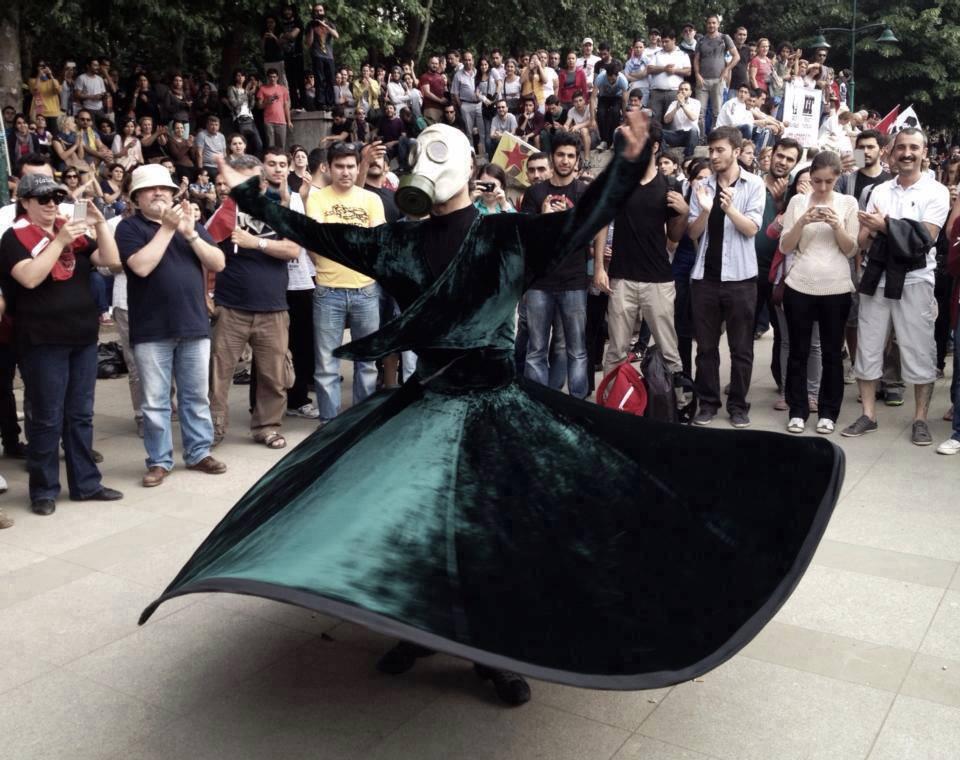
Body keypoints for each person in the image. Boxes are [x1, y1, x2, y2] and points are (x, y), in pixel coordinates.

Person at [141, 113, 845, 716]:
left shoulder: (509, 234)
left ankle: (494, 653)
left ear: (470, 165)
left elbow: (583, 219)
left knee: (494, 539)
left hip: (495, 411)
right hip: (426, 407)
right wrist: (240, 192)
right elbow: (315, 232)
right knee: (417, 531)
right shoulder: (401, 240)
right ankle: (420, 628)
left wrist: (627, 166)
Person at [0, 173, 124, 515]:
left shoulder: (73, 232)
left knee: (80, 415)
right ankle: (44, 490)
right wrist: (58, 240)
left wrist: (99, 225)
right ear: (24, 203)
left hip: (82, 336)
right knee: (46, 417)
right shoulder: (14, 237)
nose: (52, 204)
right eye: (44, 199)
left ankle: (86, 483)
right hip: (42, 340)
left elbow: (111, 261)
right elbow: (29, 276)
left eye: (56, 197)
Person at [115, 164, 227, 488]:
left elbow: (218, 262)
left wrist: (190, 232)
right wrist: (167, 228)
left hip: (193, 324)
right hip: (152, 329)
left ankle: (198, 452)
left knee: (195, 396)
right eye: (150, 189)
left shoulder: (190, 225)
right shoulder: (130, 228)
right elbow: (141, 266)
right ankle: (159, 460)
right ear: (136, 198)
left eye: (164, 188)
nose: (159, 193)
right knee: (155, 401)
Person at [843, 128, 950, 445]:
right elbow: (862, 239)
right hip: (877, 277)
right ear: (891, 153)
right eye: (901, 147)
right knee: (869, 348)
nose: (906, 153)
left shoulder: (937, 192)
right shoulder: (880, 191)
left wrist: (884, 226)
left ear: (923, 152)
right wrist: (877, 230)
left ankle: (920, 419)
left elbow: (925, 238)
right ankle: (868, 414)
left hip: (915, 281)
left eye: (913, 147)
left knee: (919, 351)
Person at [209, 153, 301, 449]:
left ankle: (267, 426)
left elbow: (292, 250)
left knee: (274, 375)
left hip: (273, 308)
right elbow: (201, 254)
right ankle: (213, 429)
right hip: (231, 307)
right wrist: (205, 295)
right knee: (218, 374)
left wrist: (256, 242)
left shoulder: (279, 210)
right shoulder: (224, 212)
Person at [596, 121, 688, 379]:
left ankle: (676, 405)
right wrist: (599, 269)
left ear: (655, 146)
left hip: (658, 280)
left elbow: (675, 236)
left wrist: (684, 212)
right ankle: (612, 405)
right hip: (621, 278)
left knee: (669, 350)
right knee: (616, 351)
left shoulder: (670, 185)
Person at [687, 126, 765, 428]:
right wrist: (706, 210)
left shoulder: (753, 185)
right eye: (711, 150)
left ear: (736, 151)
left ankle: (738, 406)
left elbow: (752, 229)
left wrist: (730, 208)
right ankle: (707, 403)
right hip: (705, 278)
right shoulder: (703, 185)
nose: (714, 155)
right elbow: (693, 233)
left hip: (741, 279)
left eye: (720, 150)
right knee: (705, 347)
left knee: (741, 348)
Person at [778, 151, 859, 434]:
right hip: (799, 284)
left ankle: (828, 411)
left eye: (828, 181)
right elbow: (785, 247)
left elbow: (851, 249)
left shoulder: (848, 203)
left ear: (838, 178)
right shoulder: (798, 202)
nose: (822, 187)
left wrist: (837, 225)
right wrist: (803, 221)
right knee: (798, 351)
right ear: (809, 178)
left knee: (832, 352)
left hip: (836, 286)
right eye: (816, 181)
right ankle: (797, 409)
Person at [304, 141, 385, 424]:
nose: (346, 172)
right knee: (327, 364)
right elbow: (316, 242)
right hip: (329, 292)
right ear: (328, 167)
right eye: (339, 166)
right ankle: (329, 423)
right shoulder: (316, 198)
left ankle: (359, 422)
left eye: (351, 166)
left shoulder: (371, 200)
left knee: (367, 362)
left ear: (358, 167)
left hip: (365, 290)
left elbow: (376, 244)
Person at [520, 132, 590, 398]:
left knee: (576, 349)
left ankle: (577, 407)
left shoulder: (584, 192)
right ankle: (539, 404)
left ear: (577, 160)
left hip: (573, 281)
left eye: (570, 155)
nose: (565, 160)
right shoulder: (535, 192)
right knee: (536, 349)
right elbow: (526, 237)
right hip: (539, 282)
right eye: (560, 154)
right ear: (552, 157)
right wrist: (545, 219)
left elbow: (588, 235)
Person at [694, 15, 738, 133]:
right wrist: (697, 74)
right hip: (702, 81)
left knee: (717, 112)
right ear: (706, 24)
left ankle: (714, 138)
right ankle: (701, 138)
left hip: (718, 80)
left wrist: (726, 70)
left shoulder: (724, 38)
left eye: (714, 23)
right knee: (699, 112)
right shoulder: (701, 40)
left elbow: (736, 57)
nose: (711, 25)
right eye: (709, 23)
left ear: (718, 24)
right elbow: (696, 59)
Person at [646, 29, 692, 125]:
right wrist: (664, 69)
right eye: (662, 41)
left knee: (673, 121)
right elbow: (649, 69)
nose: (664, 44)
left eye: (666, 41)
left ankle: (670, 140)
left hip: (674, 92)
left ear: (674, 40)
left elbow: (688, 71)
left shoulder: (682, 54)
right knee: (653, 121)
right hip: (656, 92)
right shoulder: (657, 54)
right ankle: (655, 140)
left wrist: (675, 71)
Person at [305, 3, 338, 111]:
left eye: (320, 10)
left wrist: (325, 26)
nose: (318, 13)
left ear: (324, 12)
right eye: (316, 11)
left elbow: (336, 36)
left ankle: (331, 103)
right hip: (317, 55)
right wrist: (311, 28)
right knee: (319, 80)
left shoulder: (329, 24)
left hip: (329, 56)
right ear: (313, 13)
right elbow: (308, 43)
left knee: (330, 80)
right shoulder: (310, 25)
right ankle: (321, 103)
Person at [257, 69, 293, 151]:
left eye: (274, 77)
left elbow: (286, 105)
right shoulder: (263, 89)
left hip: (281, 121)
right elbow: (259, 106)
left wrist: (289, 121)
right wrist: (267, 101)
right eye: (270, 77)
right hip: (268, 121)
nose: (272, 79)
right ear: (268, 78)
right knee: (270, 145)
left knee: (281, 145)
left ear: (277, 77)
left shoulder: (283, 89)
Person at [662, 81, 701, 157]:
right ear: (678, 91)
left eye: (686, 89)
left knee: (693, 130)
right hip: (677, 135)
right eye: (681, 89)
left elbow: (693, 117)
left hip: (691, 135)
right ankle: (665, 156)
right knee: (659, 132)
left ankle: (687, 158)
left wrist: (682, 105)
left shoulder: (696, 102)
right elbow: (666, 120)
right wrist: (676, 107)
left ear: (690, 92)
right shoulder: (673, 104)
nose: (683, 91)